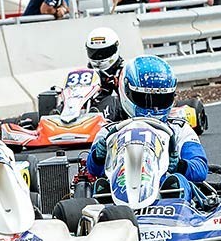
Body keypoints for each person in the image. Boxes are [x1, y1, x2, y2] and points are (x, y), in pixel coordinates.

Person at [86, 56, 208, 195]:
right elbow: (93, 169)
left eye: (161, 99)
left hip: (166, 197)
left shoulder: (179, 129)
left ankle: (172, 199)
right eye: (144, 99)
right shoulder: (109, 132)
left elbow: (200, 169)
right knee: (100, 186)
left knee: (177, 180)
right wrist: (98, 157)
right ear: (126, 92)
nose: (154, 108)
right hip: (120, 193)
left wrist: (180, 166)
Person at [85, 26, 124, 103]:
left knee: (110, 101)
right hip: (89, 109)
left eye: (104, 52)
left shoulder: (124, 73)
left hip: (116, 109)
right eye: (94, 53)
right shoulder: (85, 75)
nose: (99, 57)